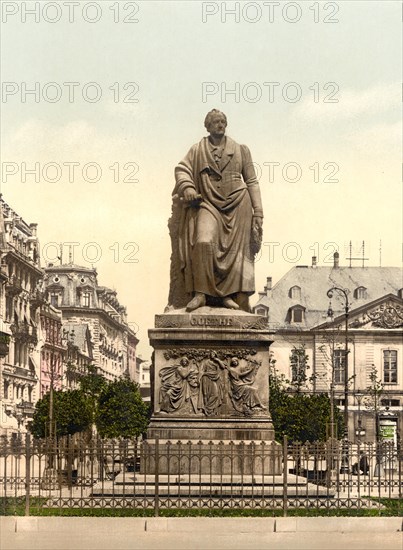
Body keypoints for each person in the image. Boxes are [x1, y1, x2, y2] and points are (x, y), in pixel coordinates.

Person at [170, 110, 264, 313]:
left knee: (236, 252)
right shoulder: (197, 150)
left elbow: (252, 181)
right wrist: (187, 188)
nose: (220, 125)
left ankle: (227, 297)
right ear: (207, 126)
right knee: (203, 241)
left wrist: (258, 212)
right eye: (215, 122)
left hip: (238, 204)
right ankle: (201, 294)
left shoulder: (241, 150)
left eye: (223, 122)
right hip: (207, 203)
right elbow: (182, 169)